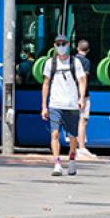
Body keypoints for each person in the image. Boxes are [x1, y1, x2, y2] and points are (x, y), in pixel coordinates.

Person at [41, 33, 87, 177]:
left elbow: (82, 80)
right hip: (55, 104)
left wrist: (81, 99)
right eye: (58, 44)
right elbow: (46, 84)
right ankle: (57, 164)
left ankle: (72, 160)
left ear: (68, 45)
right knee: (54, 133)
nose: (61, 46)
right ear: (55, 46)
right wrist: (44, 106)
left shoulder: (75, 62)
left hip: (72, 105)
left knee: (73, 137)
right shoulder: (50, 63)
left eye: (64, 44)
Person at [74, 39, 96, 159]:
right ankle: (81, 148)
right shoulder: (86, 62)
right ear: (88, 50)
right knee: (83, 120)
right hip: (83, 95)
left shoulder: (72, 60)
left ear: (77, 48)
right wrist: (82, 97)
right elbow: (84, 80)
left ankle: (77, 147)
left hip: (72, 94)